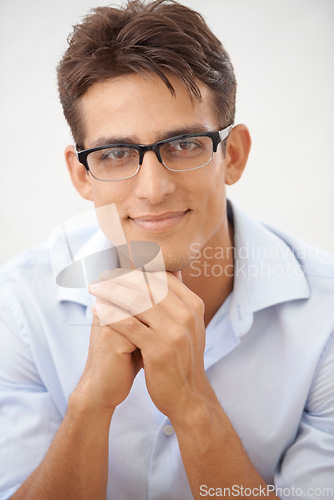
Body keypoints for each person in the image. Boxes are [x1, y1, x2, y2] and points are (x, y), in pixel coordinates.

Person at [0, 0, 333, 499]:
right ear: (81, 175)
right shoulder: (23, 303)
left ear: (233, 155)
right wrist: (90, 403)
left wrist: (194, 405)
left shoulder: (326, 316)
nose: (153, 190)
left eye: (184, 144)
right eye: (114, 154)